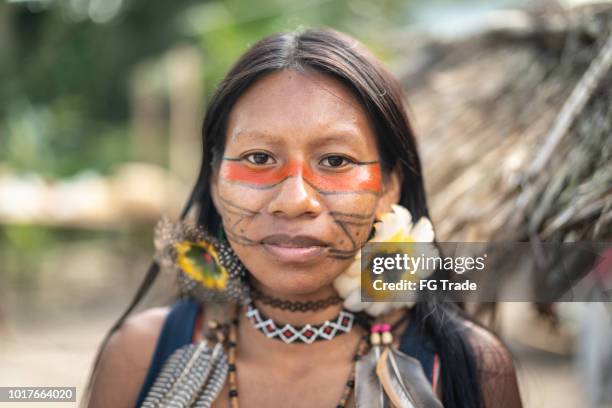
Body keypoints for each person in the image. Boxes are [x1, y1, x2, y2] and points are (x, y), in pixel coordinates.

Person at [84, 28, 522, 408]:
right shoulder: (138, 355)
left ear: (389, 185)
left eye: (335, 160)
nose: (294, 200)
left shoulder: (468, 369)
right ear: (216, 180)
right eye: (258, 157)